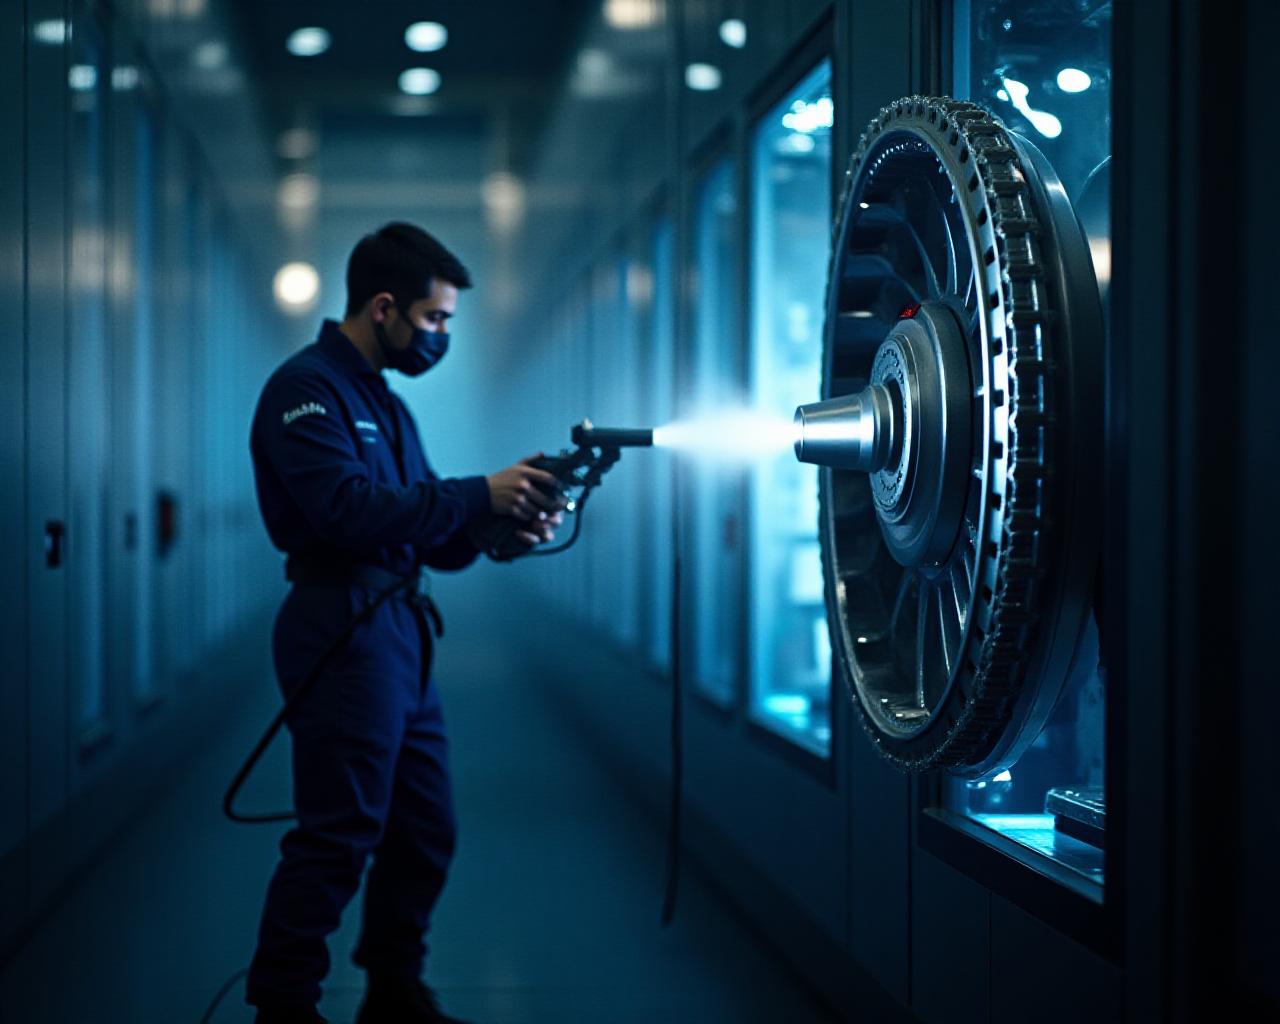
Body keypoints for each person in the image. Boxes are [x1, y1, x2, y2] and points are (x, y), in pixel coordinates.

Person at [245, 222, 563, 1024]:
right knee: (341, 830)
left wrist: (498, 533)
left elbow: (428, 532)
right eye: (434, 319)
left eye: (448, 322)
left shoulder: (387, 406)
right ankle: (283, 1005)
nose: (441, 336)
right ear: (383, 308)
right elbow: (346, 511)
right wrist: (473, 494)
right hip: (342, 624)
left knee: (424, 824)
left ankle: (392, 987)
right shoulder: (307, 390)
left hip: (398, 625)